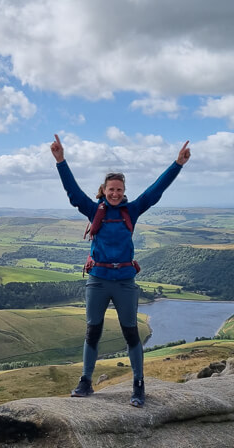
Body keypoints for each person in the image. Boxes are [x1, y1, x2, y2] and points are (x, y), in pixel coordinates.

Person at [50, 134, 191, 407]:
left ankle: (138, 385)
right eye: (110, 189)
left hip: (125, 281)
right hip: (98, 281)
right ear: (104, 190)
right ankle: (85, 381)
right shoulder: (94, 210)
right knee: (93, 331)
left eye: (119, 190)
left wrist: (177, 164)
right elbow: (73, 193)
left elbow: (155, 191)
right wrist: (61, 161)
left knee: (130, 333)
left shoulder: (132, 210)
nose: (115, 193)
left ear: (123, 191)